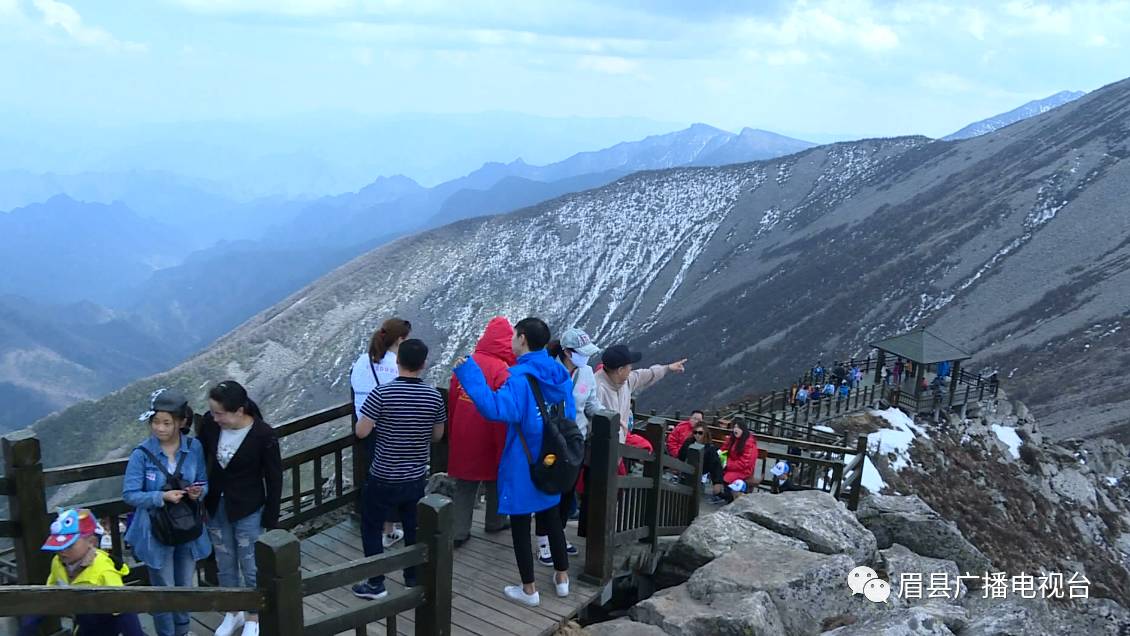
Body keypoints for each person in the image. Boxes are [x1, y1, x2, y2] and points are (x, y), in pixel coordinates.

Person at [453, 317, 575, 607]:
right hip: (554, 457)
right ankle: (562, 580)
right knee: (551, 517)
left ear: (521, 339)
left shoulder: (519, 379)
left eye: (514, 336)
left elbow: (495, 409)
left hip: (525, 460)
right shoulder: (558, 372)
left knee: (521, 522)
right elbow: (567, 414)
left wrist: (468, 373)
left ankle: (529, 589)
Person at [351, 339, 446, 600]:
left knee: (371, 528)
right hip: (415, 476)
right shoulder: (433, 396)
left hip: (382, 474)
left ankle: (376, 583)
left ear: (399, 362)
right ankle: (412, 577)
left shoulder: (382, 394)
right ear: (424, 364)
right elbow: (437, 435)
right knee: (413, 528)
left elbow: (361, 431)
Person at [123, 389, 212, 636]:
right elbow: (129, 494)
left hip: (187, 528)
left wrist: (198, 492)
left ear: (182, 422)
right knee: (164, 590)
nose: (159, 428)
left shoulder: (194, 448)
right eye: (155, 422)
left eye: (166, 423)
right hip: (156, 531)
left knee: (184, 586)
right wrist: (160, 497)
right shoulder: (142, 454)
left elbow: (204, 482)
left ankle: (182, 631)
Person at [199, 381, 282, 636]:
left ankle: (253, 616)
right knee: (224, 560)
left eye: (219, 413)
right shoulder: (210, 426)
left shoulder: (263, 434)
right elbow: (200, 457)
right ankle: (232, 611)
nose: (215, 417)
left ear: (239, 410)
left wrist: (271, 515)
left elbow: (274, 477)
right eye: (213, 412)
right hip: (215, 504)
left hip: (248, 507)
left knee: (250, 562)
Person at [534, 329, 604, 565]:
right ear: (566, 352)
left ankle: (559, 533)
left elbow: (591, 404)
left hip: (576, 441)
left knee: (567, 493)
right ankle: (543, 540)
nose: (586, 358)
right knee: (549, 490)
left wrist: (608, 417)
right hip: (551, 442)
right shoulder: (547, 370)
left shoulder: (586, 373)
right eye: (581, 353)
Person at [19, 509, 145, 636]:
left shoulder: (104, 571)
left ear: (91, 542)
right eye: (58, 546)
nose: (62, 551)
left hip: (108, 626)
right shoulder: (58, 562)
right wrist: (30, 622)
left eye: (69, 545)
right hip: (82, 620)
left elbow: (124, 610)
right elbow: (50, 593)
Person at [448, 317, 513, 548]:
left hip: (464, 432)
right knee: (496, 478)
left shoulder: (466, 363)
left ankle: (458, 531)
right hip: (491, 435)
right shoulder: (504, 369)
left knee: (465, 484)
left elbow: (453, 401)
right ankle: (495, 521)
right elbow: (505, 407)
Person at [350, 317, 412, 549]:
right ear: (400, 339)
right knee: (394, 480)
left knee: (374, 478)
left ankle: (378, 528)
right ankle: (389, 530)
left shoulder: (361, 361)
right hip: (389, 430)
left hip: (365, 428)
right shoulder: (396, 365)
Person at [594, 344, 686, 444]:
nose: (631, 368)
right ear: (620, 370)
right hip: (601, 448)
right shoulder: (596, 389)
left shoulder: (625, 381)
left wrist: (667, 368)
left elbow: (647, 375)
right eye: (629, 365)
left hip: (618, 447)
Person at [678, 424, 725, 504]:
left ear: (705, 434)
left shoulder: (710, 448)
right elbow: (681, 456)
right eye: (695, 432)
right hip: (686, 471)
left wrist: (717, 482)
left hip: (702, 474)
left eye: (700, 433)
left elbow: (715, 466)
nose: (697, 435)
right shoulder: (688, 442)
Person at [720, 418, 759, 501]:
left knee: (727, 477)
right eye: (734, 427)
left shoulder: (749, 443)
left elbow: (745, 463)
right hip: (731, 467)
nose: (735, 429)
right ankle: (722, 495)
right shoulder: (732, 439)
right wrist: (720, 455)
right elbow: (724, 449)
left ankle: (728, 497)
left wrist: (728, 464)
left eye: (738, 427)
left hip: (743, 471)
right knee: (716, 471)